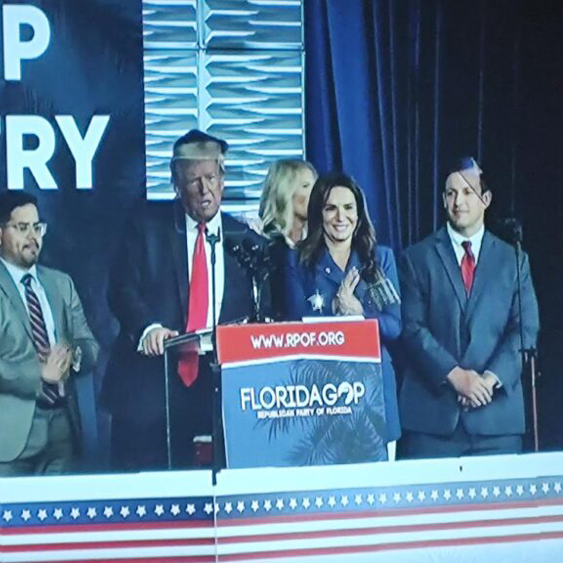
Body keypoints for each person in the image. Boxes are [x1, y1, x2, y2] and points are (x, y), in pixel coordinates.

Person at [102, 129, 267, 470]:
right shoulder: (146, 227)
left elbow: (261, 313)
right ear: (176, 185)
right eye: (194, 181)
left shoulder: (247, 241)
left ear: (223, 180)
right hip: (152, 393)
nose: (204, 190)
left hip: (219, 395)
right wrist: (148, 328)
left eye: (211, 178)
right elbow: (121, 289)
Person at [398, 158, 539, 458]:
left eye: (466, 192)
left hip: (496, 422)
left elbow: (525, 329)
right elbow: (411, 327)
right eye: (450, 193)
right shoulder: (417, 258)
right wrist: (457, 377)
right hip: (432, 423)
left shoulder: (513, 259)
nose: (457, 201)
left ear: (485, 200)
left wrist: (487, 381)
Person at [0, 191, 98, 476]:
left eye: (38, 227)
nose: (33, 236)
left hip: (62, 429)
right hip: (6, 438)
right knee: (2, 522)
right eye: (22, 228)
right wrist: (39, 373)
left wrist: (73, 356)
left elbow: (89, 344)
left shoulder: (60, 283)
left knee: (61, 522)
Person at [284, 173, 403, 456]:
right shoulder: (297, 261)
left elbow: (395, 326)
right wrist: (333, 313)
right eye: (331, 208)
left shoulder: (380, 258)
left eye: (349, 208)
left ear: (359, 215)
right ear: (319, 214)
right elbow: (292, 329)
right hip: (321, 398)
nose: (341, 217)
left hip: (373, 395)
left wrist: (360, 316)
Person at [257, 159, 317, 318]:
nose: (316, 192)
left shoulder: (316, 245)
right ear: (284, 192)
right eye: (305, 186)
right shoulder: (268, 247)